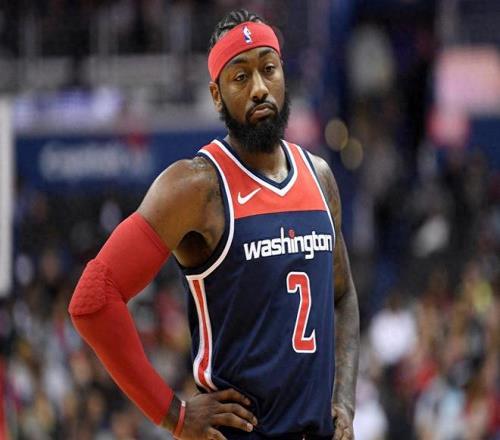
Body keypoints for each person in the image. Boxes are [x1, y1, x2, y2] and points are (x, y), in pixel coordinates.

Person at [69, 9, 359, 440]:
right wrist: (173, 414)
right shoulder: (195, 185)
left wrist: (345, 401)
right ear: (216, 95)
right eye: (240, 77)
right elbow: (94, 300)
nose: (259, 88)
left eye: (269, 69)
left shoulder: (319, 176)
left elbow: (344, 295)